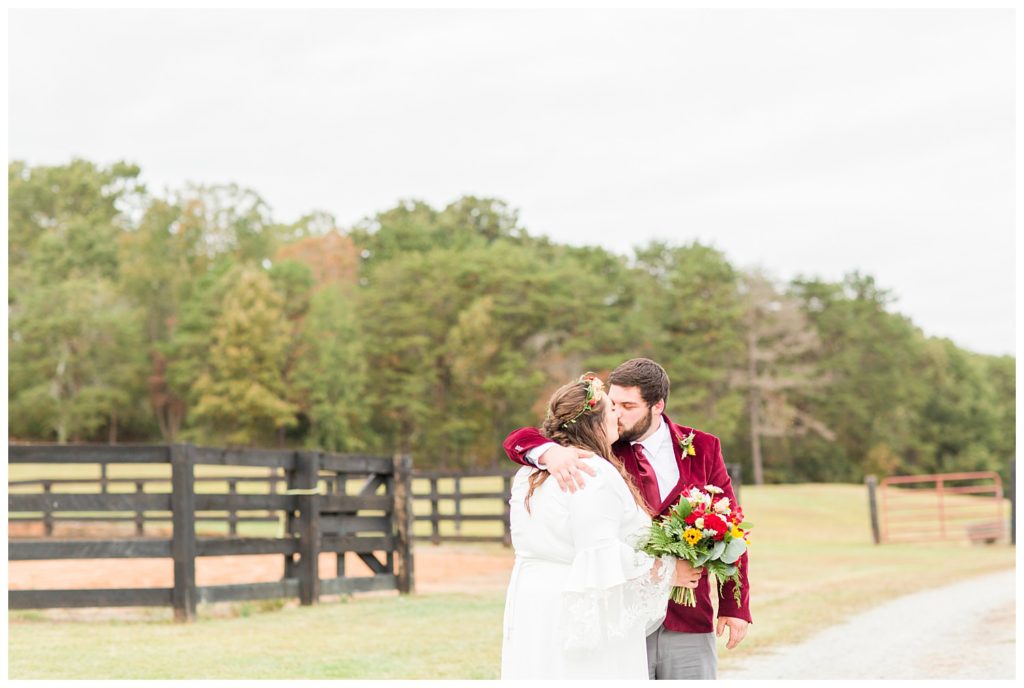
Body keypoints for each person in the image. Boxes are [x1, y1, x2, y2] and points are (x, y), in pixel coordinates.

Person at [503, 358, 751, 680]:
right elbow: (520, 438)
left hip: (690, 616)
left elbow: (728, 527)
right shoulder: (596, 450)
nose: (617, 414)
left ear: (657, 405)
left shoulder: (702, 447)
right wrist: (547, 452)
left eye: (628, 405)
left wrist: (735, 606)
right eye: (614, 404)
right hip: (623, 614)